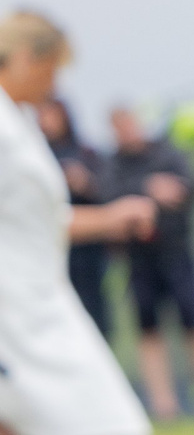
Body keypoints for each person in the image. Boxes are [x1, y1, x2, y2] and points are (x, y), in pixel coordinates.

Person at [0, 9, 189, 435]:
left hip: (39, 297)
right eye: (50, 70)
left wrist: (111, 217)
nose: (54, 86)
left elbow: (38, 222)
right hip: (16, 311)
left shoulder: (21, 122)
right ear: (24, 59)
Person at [100, 103, 194, 421]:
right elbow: (107, 196)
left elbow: (193, 187)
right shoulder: (113, 164)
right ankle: (163, 404)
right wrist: (147, 188)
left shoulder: (168, 154)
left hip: (176, 252)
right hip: (139, 258)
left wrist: (170, 191)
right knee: (149, 330)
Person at [35, 96, 111, 334]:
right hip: (46, 249)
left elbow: (109, 191)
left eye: (52, 115)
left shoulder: (86, 153)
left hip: (87, 251)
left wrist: (85, 183)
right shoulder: (34, 154)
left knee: (92, 314)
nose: (46, 121)